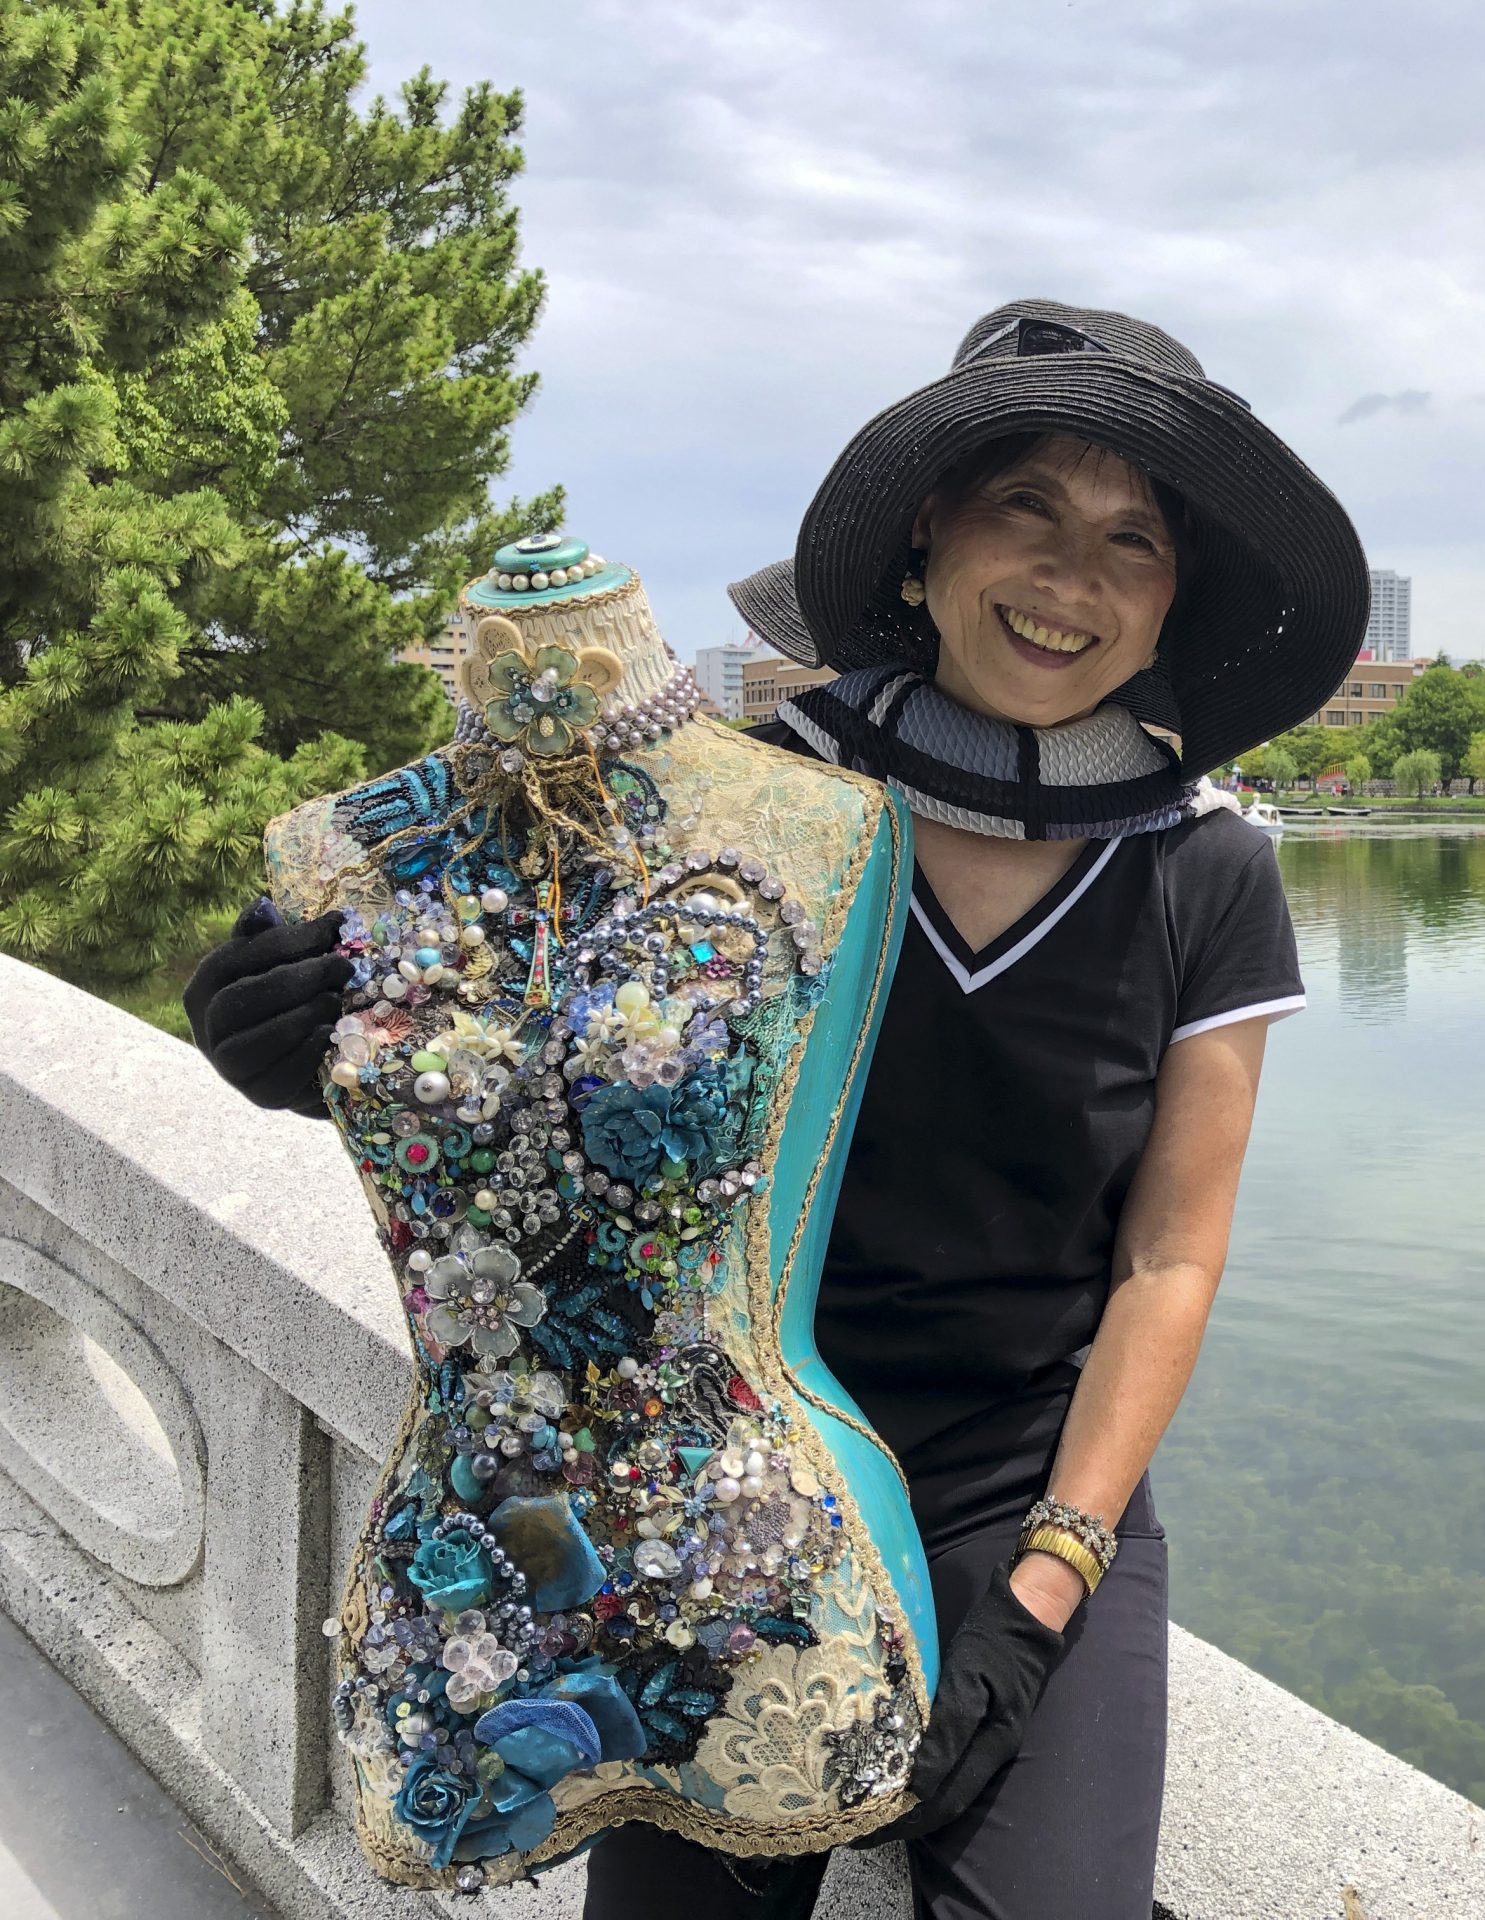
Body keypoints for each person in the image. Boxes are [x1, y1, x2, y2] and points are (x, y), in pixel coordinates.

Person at [182, 299, 1370, 1919]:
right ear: (927, 529)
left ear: (1175, 597)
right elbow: (532, 1103)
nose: (1069, 578)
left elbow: (1171, 1260)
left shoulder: (1204, 868)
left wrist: (1043, 1595)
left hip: (1022, 1477)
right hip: (704, 1465)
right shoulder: (732, 809)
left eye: (1132, 540)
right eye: (1025, 505)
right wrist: (308, 1048)